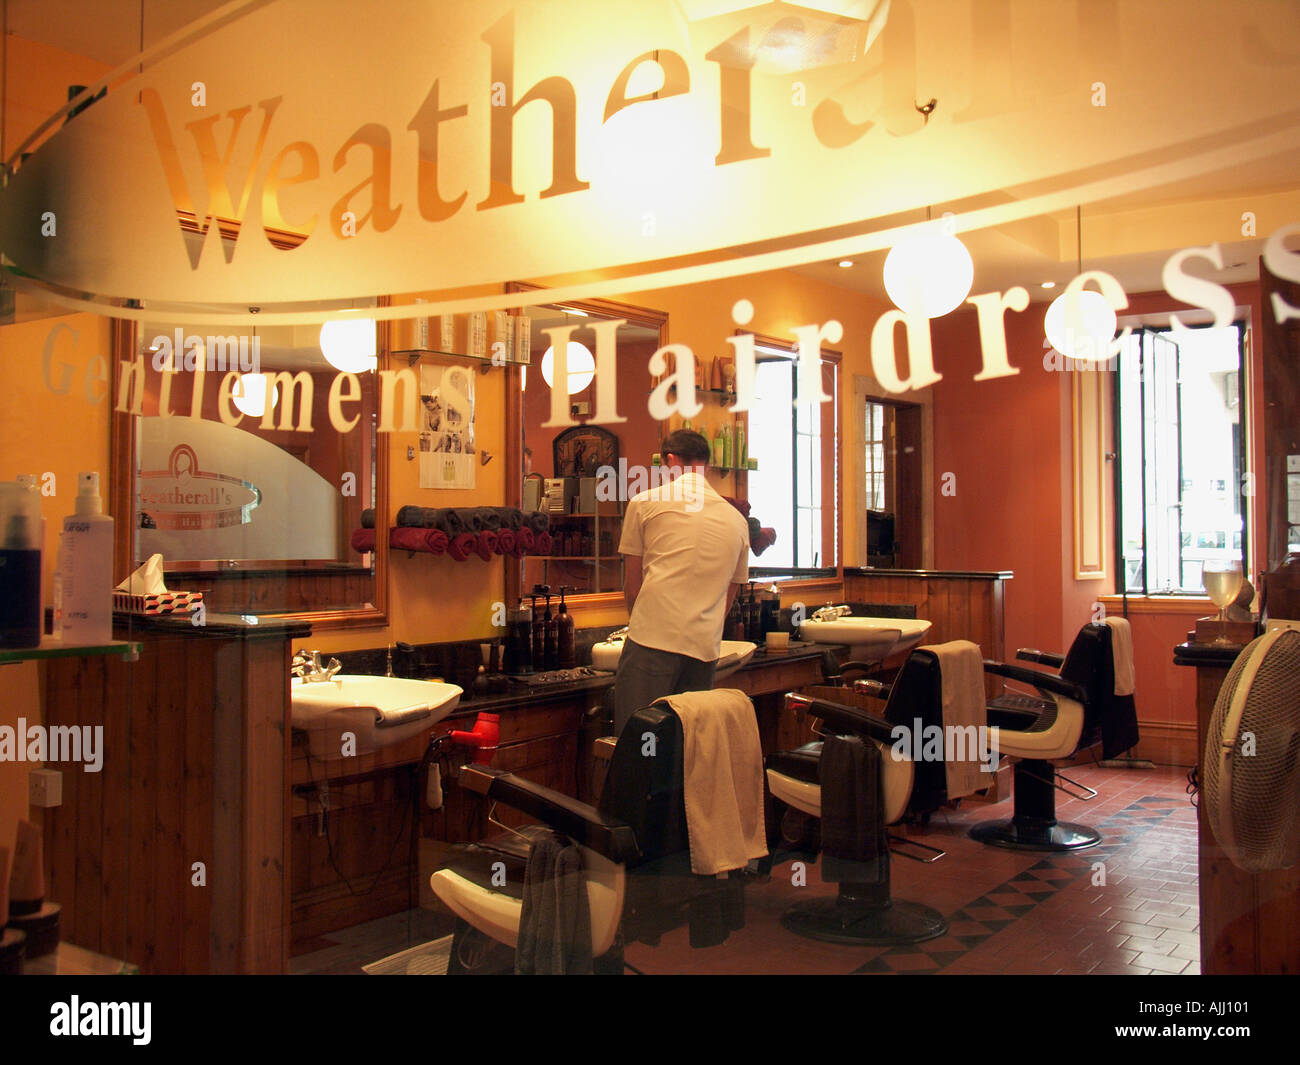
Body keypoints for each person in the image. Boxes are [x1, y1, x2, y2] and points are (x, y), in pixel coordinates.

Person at [613, 429, 750, 735]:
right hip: (704, 651)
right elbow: (729, 596)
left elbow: (632, 587)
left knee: (636, 746)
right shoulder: (737, 522)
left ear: (670, 461)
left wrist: (641, 627)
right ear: (709, 466)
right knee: (687, 750)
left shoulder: (644, 503)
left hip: (651, 642)